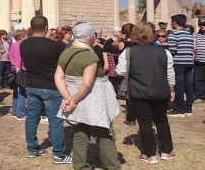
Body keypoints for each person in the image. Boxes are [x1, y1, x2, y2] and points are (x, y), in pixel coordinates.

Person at [55, 23, 122, 170]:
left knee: (80, 132)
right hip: (92, 100)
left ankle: (80, 166)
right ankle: (113, 167)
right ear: (91, 37)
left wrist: (68, 98)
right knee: (104, 134)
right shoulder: (90, 56)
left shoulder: (66, 53)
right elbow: (86, 84)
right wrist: (73, 100)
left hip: (75, 98)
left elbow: (58, 77)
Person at [116, 22, 175, 164]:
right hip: (160, 90)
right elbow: (170, 73)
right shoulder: (164, 52)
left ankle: (150, 154)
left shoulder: (128, 52)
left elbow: (120, 71)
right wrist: (172, 89)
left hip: (139, 91)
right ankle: (166, 151)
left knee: (145, 122)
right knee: (162, 120)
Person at [21, 16, 73, 164]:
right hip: (50, 86)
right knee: (55, 120)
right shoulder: (55, 46)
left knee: (32, 118)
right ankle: (59, 155)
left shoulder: (23, 44)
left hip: (32, 84)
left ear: (31, 28)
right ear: (46, 28)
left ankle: (32, 148)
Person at [166, 14, 196, 117]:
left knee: (179, 86)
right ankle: (188, 108)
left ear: (174, 22)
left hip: (178, 63)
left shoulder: (174, 35)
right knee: (189, 85)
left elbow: (173, 50)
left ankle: (179, 109)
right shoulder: (189, 35)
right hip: (189, 62)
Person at [9, 29, 28, 120]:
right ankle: (20, 113)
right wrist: (18, 70)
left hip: (15, 68)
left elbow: (10, 55)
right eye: (25, 35)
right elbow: (18, 58)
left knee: (17, 91)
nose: (27, 36)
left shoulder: (14, 44)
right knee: (22, 92)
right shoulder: (20, 44)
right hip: (19, 69)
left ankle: (15, 111)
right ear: (22, 36)